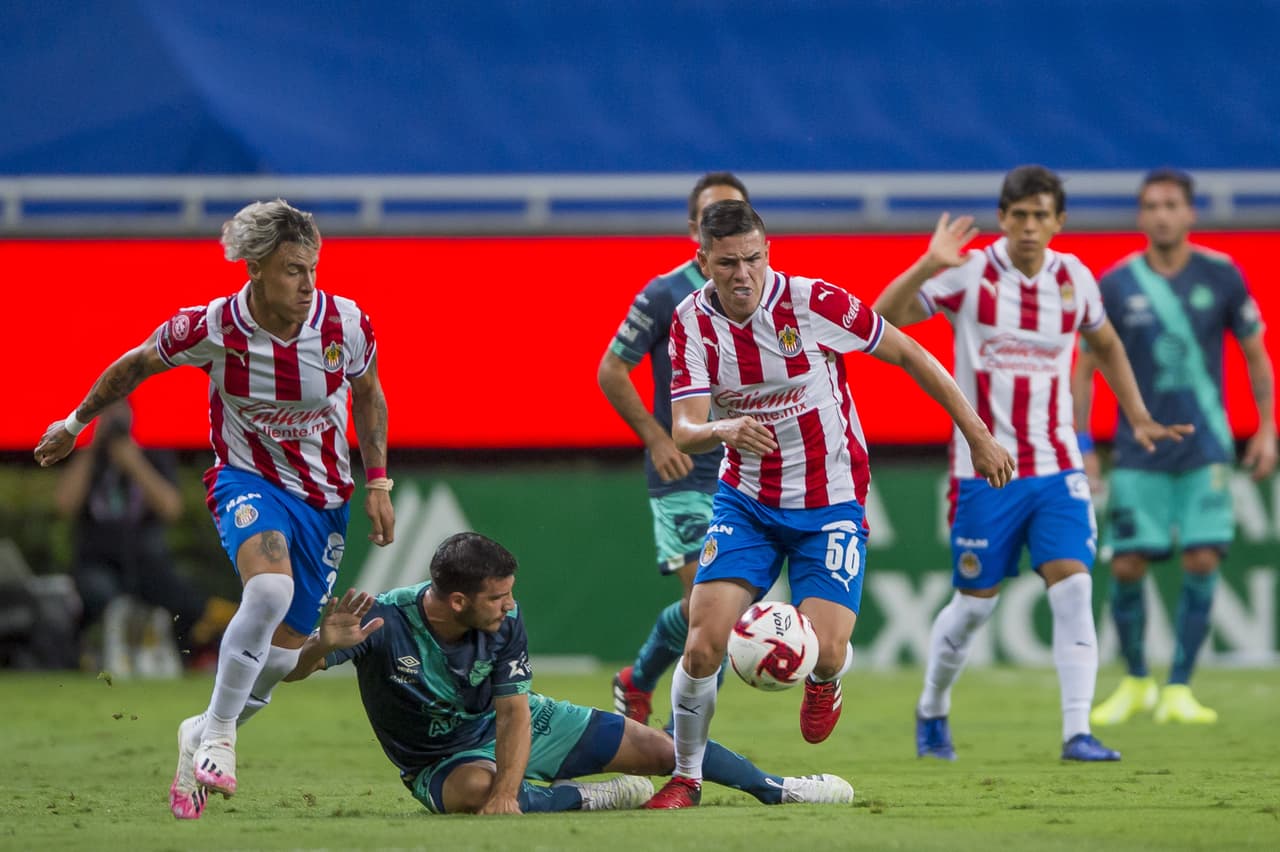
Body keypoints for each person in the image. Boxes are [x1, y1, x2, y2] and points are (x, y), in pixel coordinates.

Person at [33, 199, 396, 820]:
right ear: (255, 268)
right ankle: (221, 737)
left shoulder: (346, 324)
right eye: (291, 270)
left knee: (280, 659)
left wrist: (379, 482)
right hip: (247, 480)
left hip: (324, 498)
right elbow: (136, 363)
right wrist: (75, 422)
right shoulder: (213, 327)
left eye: (312, 268)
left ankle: (198, 731)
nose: (308, 284)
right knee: (268, 593)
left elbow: (369, 394)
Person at [646, 199, 1016, 809]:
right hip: (747, 502)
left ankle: (825, 679)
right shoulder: (689, 321)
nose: (743, 275)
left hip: (830, 502)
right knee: (702, 640)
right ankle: (685, 776)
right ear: (702, 261)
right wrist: (724, 430)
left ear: (768, 253)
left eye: (754, 259)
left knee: (829, 648)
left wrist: (976, 434)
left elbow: (911, 355)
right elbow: (684, 425)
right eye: (728, 263)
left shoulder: (811, 302)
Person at [873, 165, 1192, 764]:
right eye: (1018, 215)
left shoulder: (1074, 279)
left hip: (1057, 465)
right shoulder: (969, 275)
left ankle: (1078, 732)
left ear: (1058, 222)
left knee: (1073, 585)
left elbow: (1107, 346)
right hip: (985, 471)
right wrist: (927, 264)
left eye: (1040, 216)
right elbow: (880, 322)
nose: (1028, 227)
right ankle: (933, 708)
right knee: (974, 607)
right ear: (1003, 218)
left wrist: (1139, 415)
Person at [284, 532, 855, 814]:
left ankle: (777, 789)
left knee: (661, 749)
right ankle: (594, 798)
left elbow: (512, 711)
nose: (510, 606)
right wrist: (316, 649)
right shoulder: (382, 622)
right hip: (439, 759)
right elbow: (288, 675)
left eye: (511, 594)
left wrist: (512, 792)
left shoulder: (505, 619)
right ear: (456, 601)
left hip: (520, 721)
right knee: (476, 792)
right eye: (498, 597)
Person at [1075, 169, 1276, 727]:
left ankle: (1181, 687)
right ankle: (1138, 679)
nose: (1161, 215)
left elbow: (1256, 353)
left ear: (1190, 213)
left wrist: (1266, 429)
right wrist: (1084, 442)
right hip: (1138, 450)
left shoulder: (1222, 274)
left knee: (1203, 556)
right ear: (1141, 217)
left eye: (1171, 205)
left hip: (1206, 447)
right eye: (1151, 206)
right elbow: (1086, 368)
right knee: (1129, 565)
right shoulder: (1114, 284)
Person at [597, 171, 748, 724]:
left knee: (710, 609)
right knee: (712, 611)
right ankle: (681, 746)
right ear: (694, 231)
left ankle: (638, 680)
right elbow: (611, 369)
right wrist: (658, 437)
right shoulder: (664, 294)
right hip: (684, 469)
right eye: (714, 216)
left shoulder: (765, 292)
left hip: (747, 473)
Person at [54, 400, 236, 667]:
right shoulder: (90, 457)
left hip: (145, 560)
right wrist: (93, 449)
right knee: (96, 598)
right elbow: (64, 504)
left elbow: (171, 508)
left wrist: (133, 463)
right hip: (95, 559)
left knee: (187, 602)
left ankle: (192, 656)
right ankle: (87, 659)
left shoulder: (152, 452)